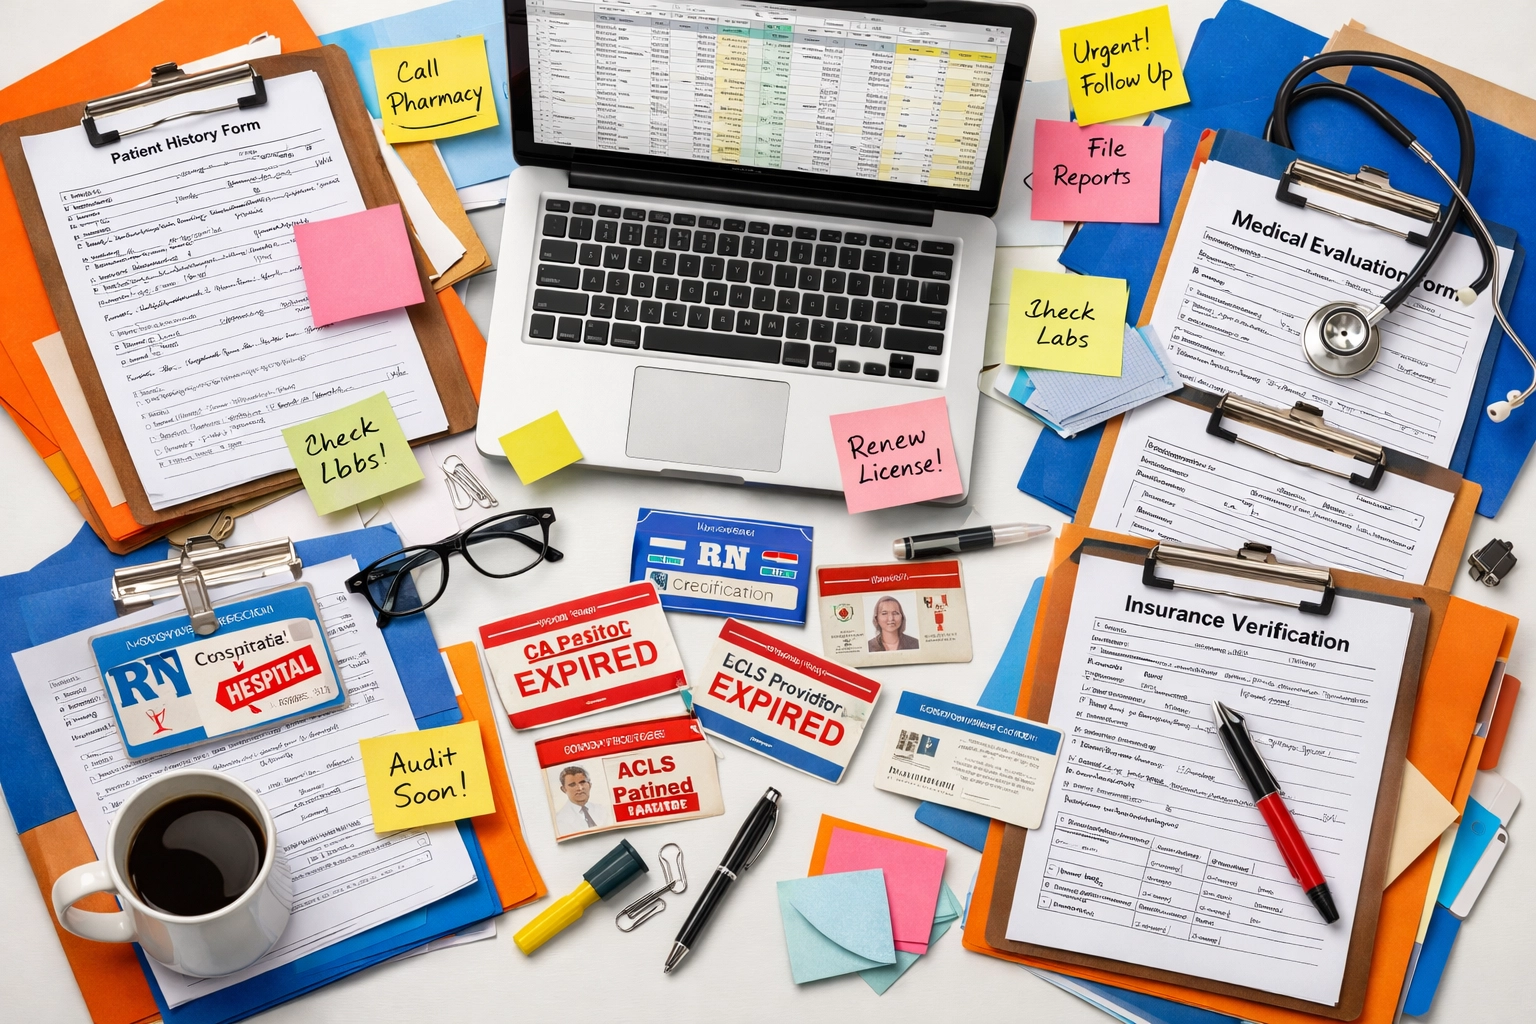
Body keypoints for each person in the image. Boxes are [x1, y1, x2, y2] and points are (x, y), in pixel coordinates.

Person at [553, 765, 607, 834]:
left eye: (582, 782)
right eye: (572, 785)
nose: (580, 788)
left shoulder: (602, 810)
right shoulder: (559, 820)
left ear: (589, 785)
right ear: (564, 789)